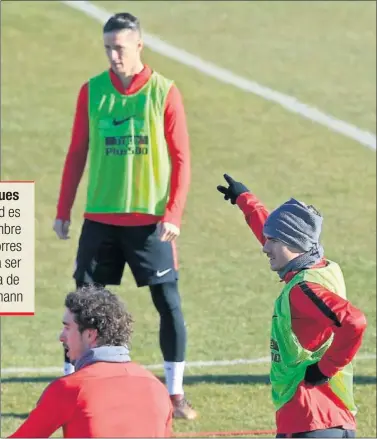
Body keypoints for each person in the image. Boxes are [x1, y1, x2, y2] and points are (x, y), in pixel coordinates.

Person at [53, 12, 196, 419]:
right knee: (81, 305)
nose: (113, 55)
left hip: (151, 222)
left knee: (168, 304)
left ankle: (175, 394)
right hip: (100, 217)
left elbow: (182, 158)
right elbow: (77, 151)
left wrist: (174, 213)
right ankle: (71, 385)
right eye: (107, 48)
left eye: (120, 47)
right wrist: (64, 209)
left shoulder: (164, 92)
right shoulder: (93, 91)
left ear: (139, 46)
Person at [217, 174, 367, 438]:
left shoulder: (303, 290)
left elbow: (354, 322)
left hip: (308, 419)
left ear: (294, 243)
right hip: (335, 419)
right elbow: (282, 232)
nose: (265, 248)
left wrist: (324, 369)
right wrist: (246, 201)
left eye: (272, 242)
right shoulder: (322, 266)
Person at [9, 285, 173, 438]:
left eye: (67, 327)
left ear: (90, 335)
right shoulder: (157, 387)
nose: (61, 336)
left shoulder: (70, 388)